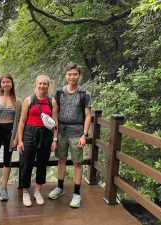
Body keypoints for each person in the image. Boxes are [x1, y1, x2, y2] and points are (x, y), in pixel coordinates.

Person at [48, 63, 92, 208]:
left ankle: (77, 194)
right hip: (61, 132)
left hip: (77, 132)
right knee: (61, 160)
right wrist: (55, 134)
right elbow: (55, 114)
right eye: (69, 74)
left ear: (79, 75)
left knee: (77, 163)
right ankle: (60, 188)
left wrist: (84, 135)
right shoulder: (60, 92)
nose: (72, 77)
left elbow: (87, 116)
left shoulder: (84, 94)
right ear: (66, 75)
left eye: (75, 74)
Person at [17, 74, 58, 207]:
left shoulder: (52, 102)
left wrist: (54, 139)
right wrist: (20, 140)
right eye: (40, 83)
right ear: (36, 84)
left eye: (44, 84)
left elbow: (55, 122)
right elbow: (21, 122)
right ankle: (25, 191)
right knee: (27, 163)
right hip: (29, 133)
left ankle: (38, 190)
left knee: (42, 163)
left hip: (46, 134)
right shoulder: (28, 101)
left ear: (48, 85)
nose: (42, 86)